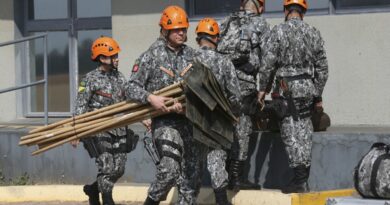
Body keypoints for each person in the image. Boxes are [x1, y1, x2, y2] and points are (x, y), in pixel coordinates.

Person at [126, 6, 203, 205]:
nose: (181, 33)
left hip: (190, 122)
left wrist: (190, 106)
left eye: (184, 29)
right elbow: (130, 88)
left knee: (191, 177)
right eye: (177, 29)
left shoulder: (192, 56)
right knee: (169, 169)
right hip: (165, 122)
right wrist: (151, 98)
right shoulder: (150, 56)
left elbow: (203, 89)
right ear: (165, 30)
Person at [259, 0, 329, 193]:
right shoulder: (313, 32)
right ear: (303, 11)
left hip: (286, 87)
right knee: (305, 128)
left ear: (285, 10)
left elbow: (267, 65)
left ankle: (299, 180)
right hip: (307, 87)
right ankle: (302, 178)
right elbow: (323, 69)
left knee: (290, 131)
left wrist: (262, 89)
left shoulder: (277, 31)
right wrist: (317, 93)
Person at [71, 36, 136, 205]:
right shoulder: (89, 79)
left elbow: (128, 101)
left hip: (119, 129)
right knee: (106, 168)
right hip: (97, 130)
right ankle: (107, 200)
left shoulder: (119, 77)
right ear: (102, 58)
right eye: (113, 55)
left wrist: (144, 119)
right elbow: (80, 106)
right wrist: (75, 132)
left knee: (119, 169)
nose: (117, 58)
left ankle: (93, 189)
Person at [217, 0, 270, 191]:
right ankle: (236, 177)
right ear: (260, 7)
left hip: (222, 86)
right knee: (243, 129)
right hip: (245, 85)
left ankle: (221, 175)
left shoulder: (226, 21)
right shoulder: (261, 24)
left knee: (225, 128)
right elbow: (267, 59)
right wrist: (263, 88)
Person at [194, 18, 242, 205]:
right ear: (216, 38)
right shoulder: (224, 62)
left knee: (192, 166)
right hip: (218, 122)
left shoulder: (189, 60)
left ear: (199, 38)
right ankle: (221, 201)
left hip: (193, 120)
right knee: (217, 164)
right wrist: (233, 114)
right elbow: (235, 96)